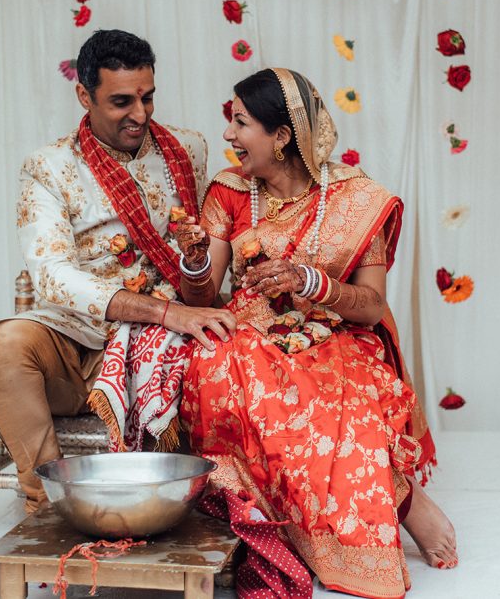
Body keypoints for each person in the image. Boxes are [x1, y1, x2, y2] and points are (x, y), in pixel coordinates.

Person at [176, 68, 457, 598]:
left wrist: (312, 281)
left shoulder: (356, 198)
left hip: (334, 329)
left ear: (282, 137)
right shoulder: (230, 191)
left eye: (241, 123)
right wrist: (194, 263)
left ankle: (398, 505)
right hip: (250, 333)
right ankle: (323, 523)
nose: (229, 136)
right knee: (223, 366)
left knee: (339, 382)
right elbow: (203, 296)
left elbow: (371, 307)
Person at [0, 29, 236, 512]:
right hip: (79, 337)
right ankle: (52, 507)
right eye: (121, 101)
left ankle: (192, 505)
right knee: (7, 345)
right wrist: (162, 312)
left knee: (221, 355)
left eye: (148, 98)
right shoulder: (49, 166)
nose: (139, 115)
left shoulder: (188, 149)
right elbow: (52, 276)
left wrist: (191, 290)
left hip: (168, 335)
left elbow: (213, 244)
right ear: (84, 95)